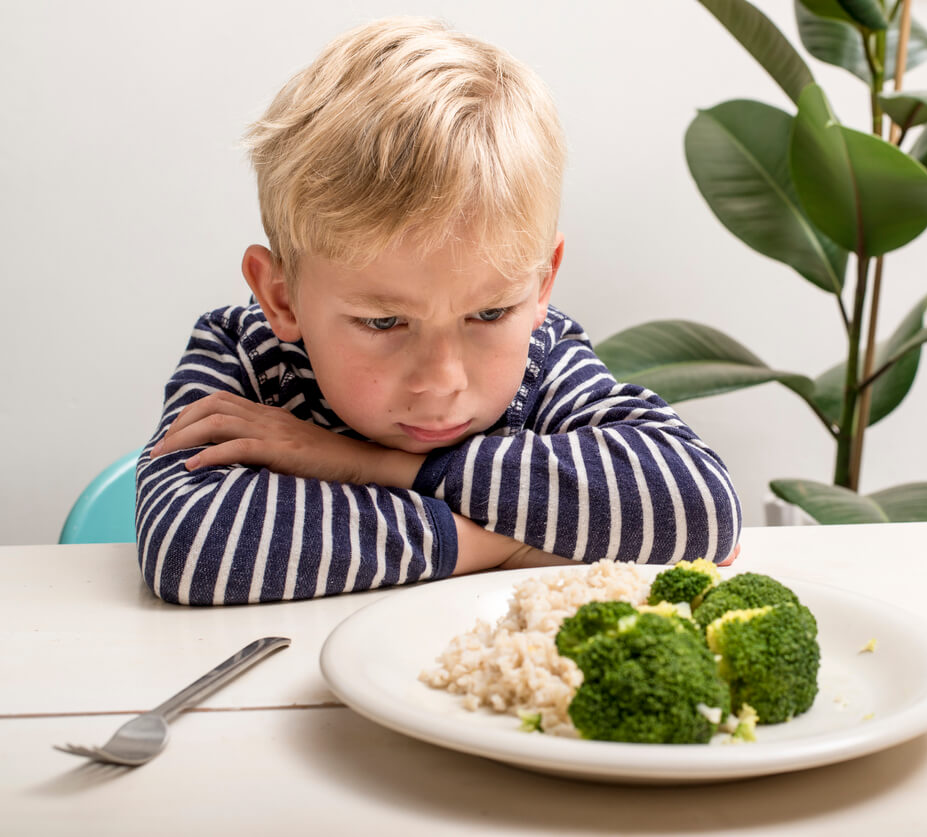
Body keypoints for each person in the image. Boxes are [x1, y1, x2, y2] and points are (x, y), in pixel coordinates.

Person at [136, 17, 741, 606]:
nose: (442, 382)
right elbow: (193, 549)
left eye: (489, 315)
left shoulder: (543, 357)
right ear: (281, 297)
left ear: (541, 283)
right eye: (382, 322)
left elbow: (702, 505)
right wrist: (495, 546)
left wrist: (369, 466)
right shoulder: (244, 354)